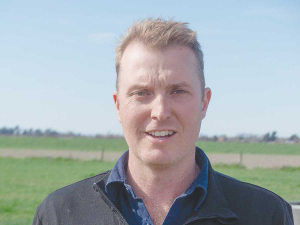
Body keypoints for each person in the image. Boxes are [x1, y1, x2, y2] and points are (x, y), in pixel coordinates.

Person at [33, 18, 294, 225]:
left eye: (178, 91)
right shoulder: (59, 214)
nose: (160, 112)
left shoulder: (266, 214)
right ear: (118, 105)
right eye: (141, 93)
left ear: (204, 102)